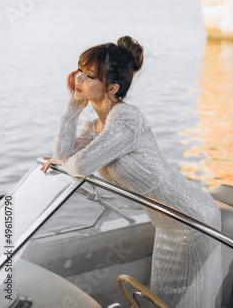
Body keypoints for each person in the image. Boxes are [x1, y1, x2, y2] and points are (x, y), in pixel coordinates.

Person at [41, 36, 222, 307]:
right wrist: (72, 107)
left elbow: (77, 166)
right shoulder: (95, 126)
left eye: (89, 75)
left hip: (191, 219)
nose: (77, 78)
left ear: (112, 87)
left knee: (173, 300)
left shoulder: (125, 119)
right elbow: (63, 156)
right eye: (79, 70)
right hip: (167, 223)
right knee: (163, 298)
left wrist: (64, 162)